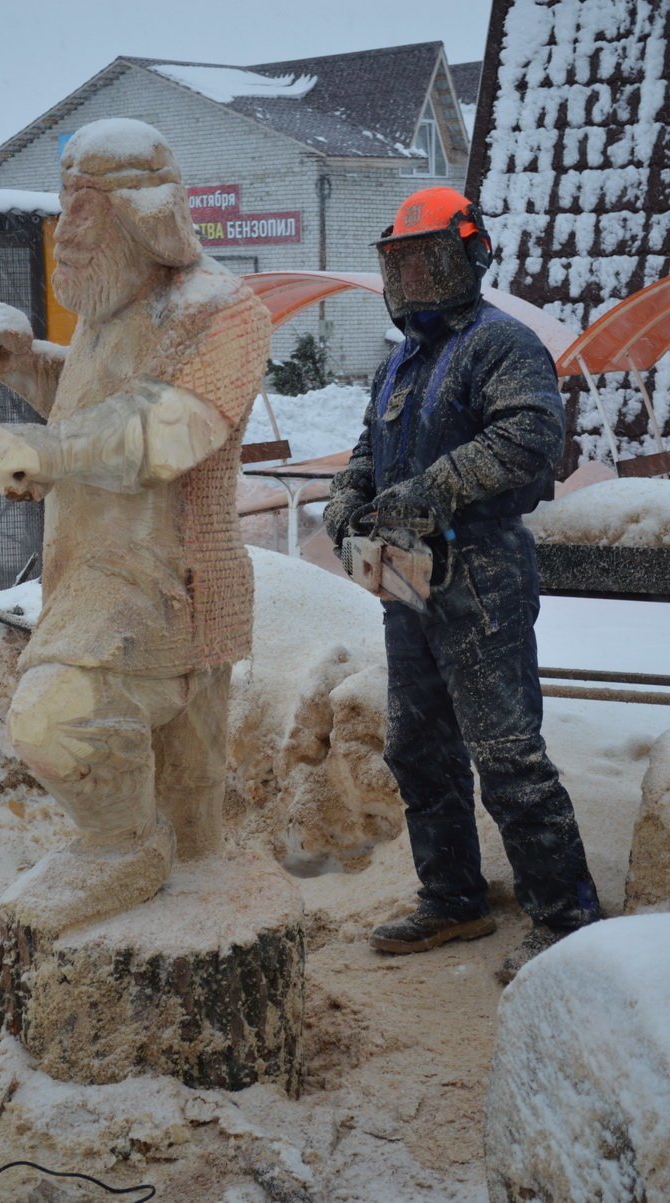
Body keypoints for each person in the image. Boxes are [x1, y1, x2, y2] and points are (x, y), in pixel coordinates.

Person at [0, 118, 270, 936]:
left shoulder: (223, 309)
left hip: (170, 586)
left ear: (143, 210)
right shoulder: (112, 306)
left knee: (55, 713)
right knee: (196, 833)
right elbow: (95, 406)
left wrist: (49, 449)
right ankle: (156, 861)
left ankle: (119, 847)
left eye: (86, 208)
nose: (68, 232)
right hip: (99, 572)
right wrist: (25, 363)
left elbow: (163, 431)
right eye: (66, 206)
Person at [324, 186, 600, 984]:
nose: (415, 277)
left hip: (481, 570)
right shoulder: (400, 360)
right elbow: (367, 451)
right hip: (408, 577)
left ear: (471, 257)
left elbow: (527, 437)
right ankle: (453, 895)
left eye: (429, 259)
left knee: (507, 750)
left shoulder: (501, 345)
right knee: (417, 743)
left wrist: (436, 487)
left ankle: (567, 914)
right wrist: (351, 496)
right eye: (402, 262)